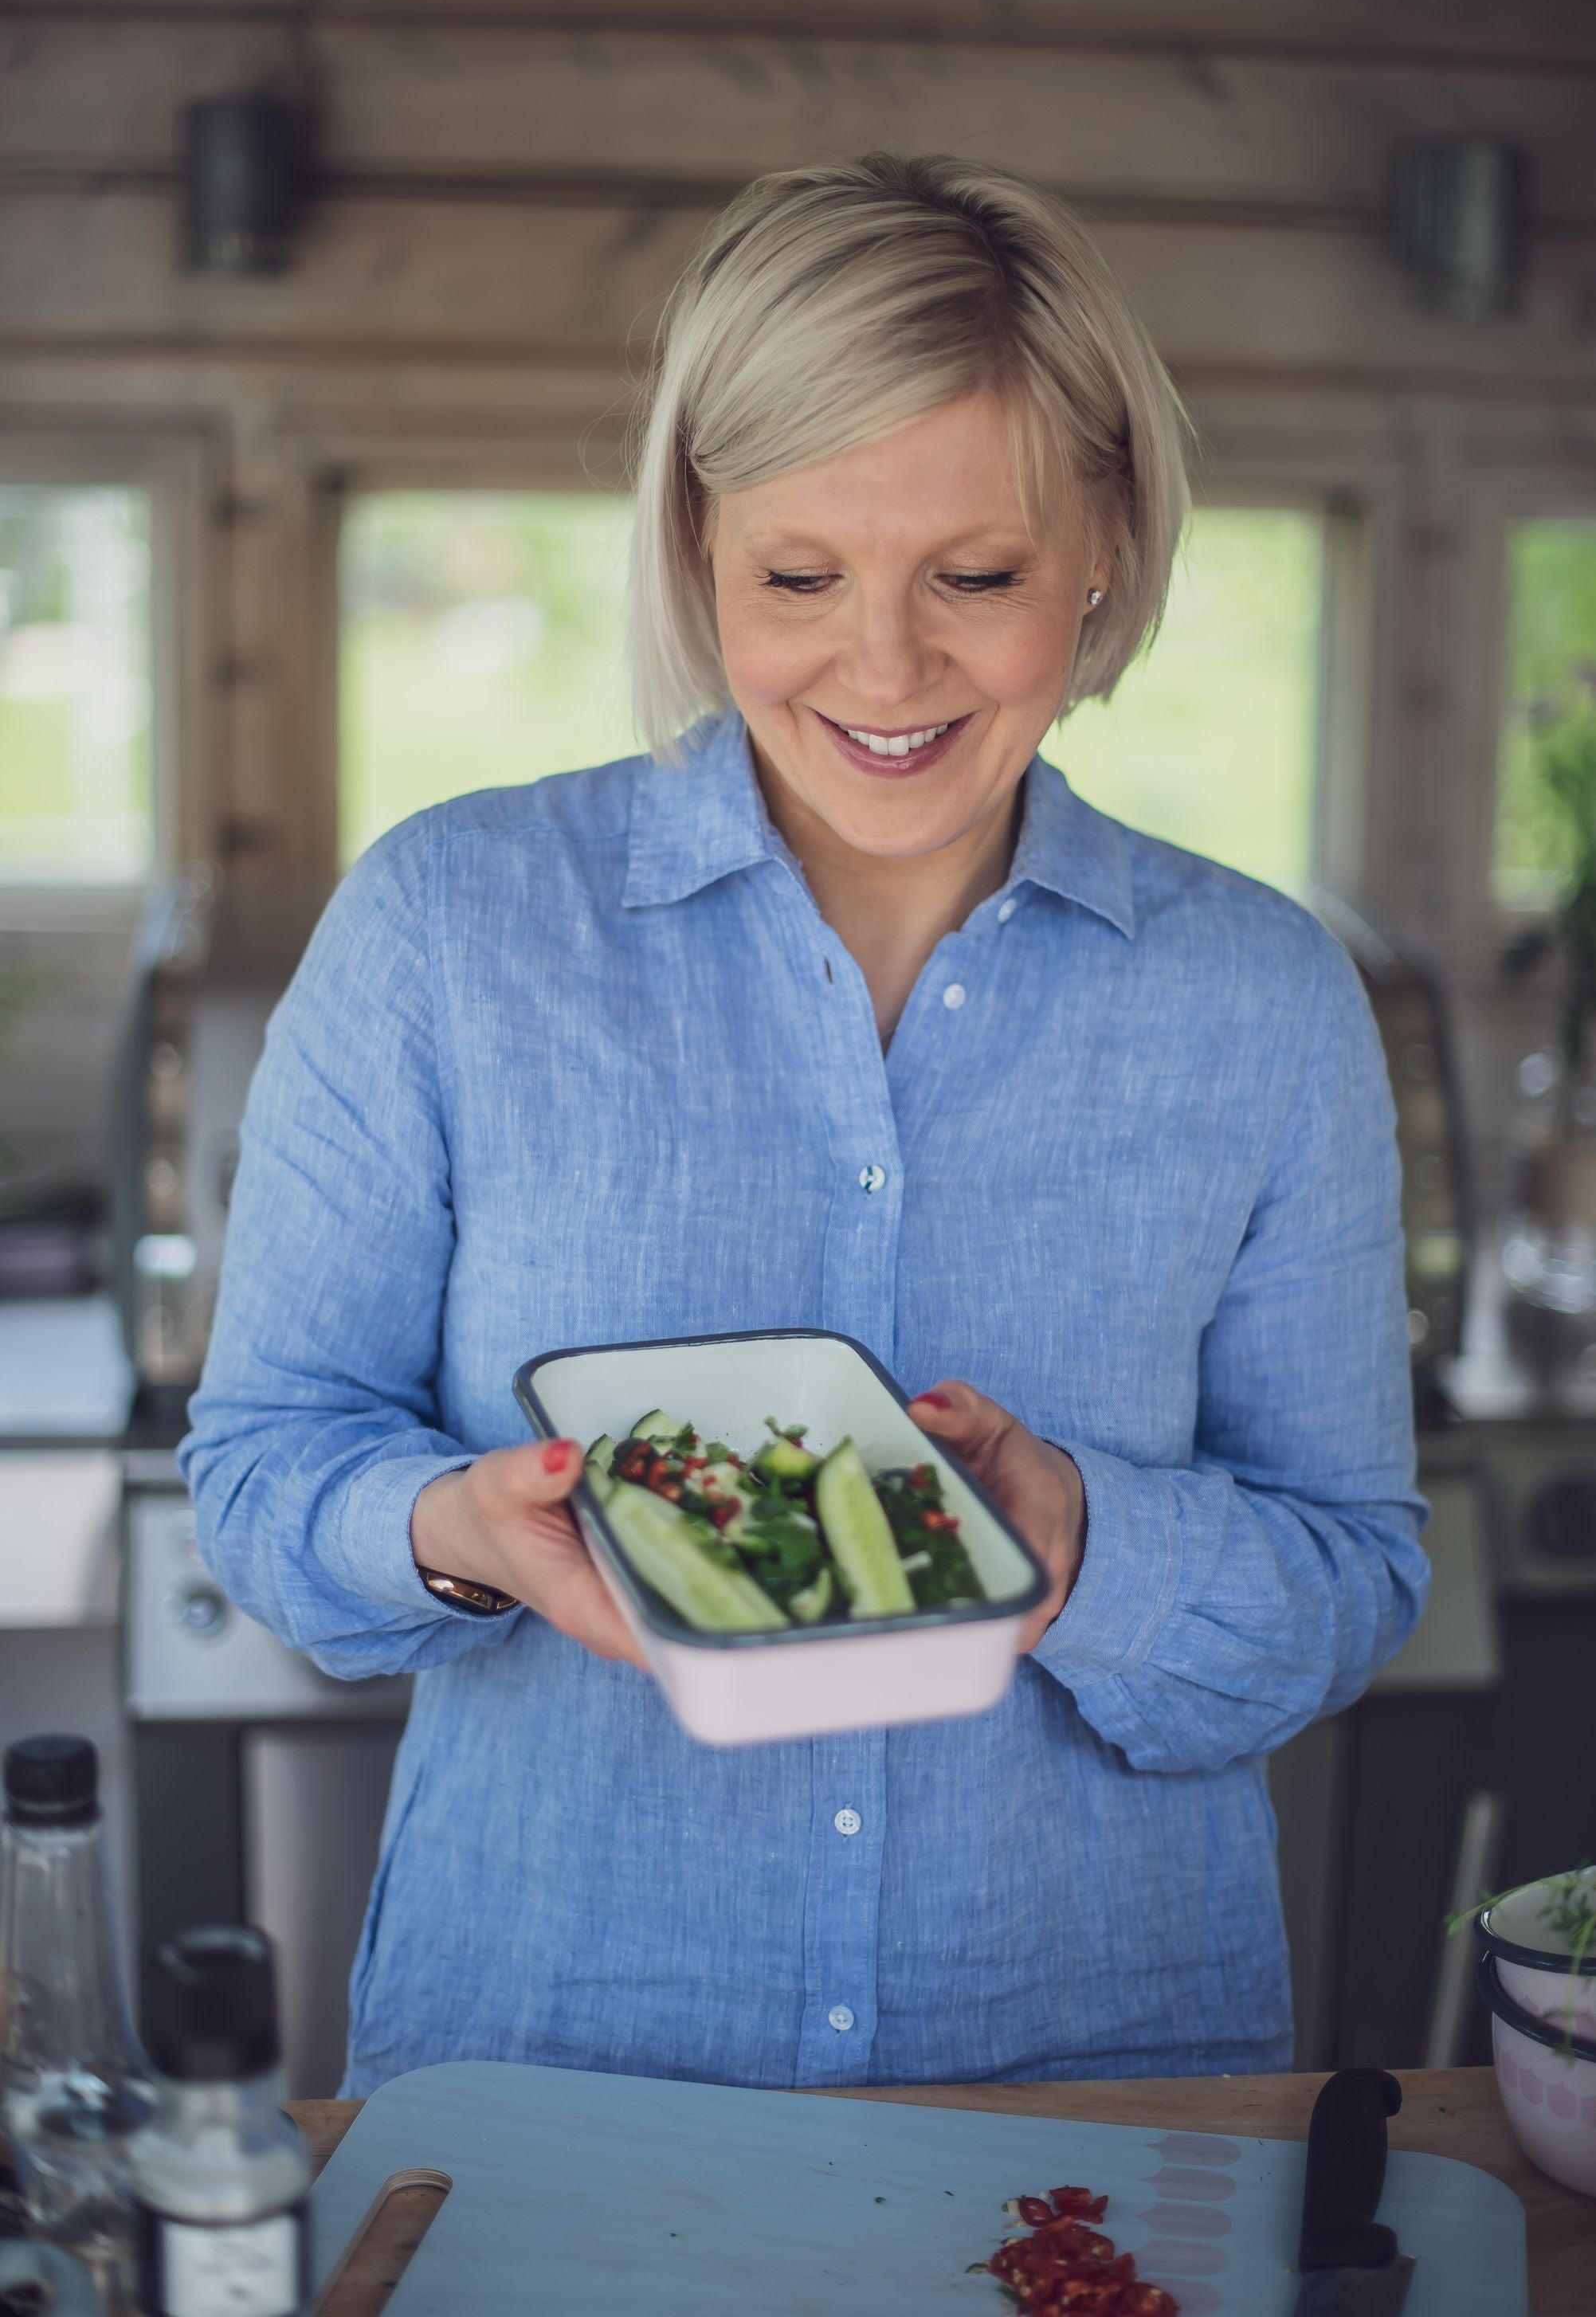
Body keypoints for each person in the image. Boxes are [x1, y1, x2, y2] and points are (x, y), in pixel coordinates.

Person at [182, 152, 1427, 2095]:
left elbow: (1351, 1581)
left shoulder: (1261, 1003)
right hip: (554, 2095)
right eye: (797, 576)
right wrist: (463, 1530)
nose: (883, 669)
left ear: (1102, 544)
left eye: (977, 576)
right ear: (695, 554)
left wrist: (1083, 1540)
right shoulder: (448, 925)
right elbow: (264, 1471)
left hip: (1101, 2087)